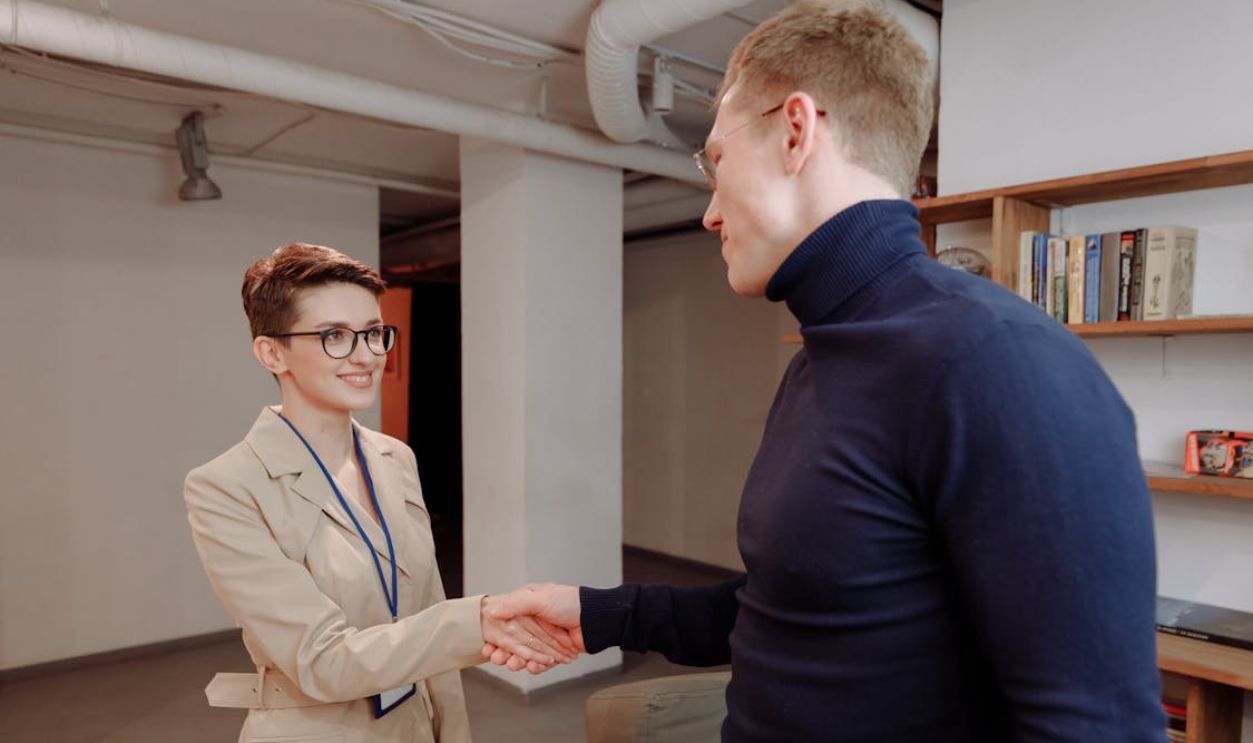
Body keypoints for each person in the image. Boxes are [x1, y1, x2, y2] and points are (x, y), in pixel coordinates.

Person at [483, 2, 1167, 740]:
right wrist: (599, 614)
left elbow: (1095, 727)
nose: (709, 213)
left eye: (716, 160)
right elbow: (801, 607)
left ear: (795, 130)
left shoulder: (994, 362)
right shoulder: (821, 356)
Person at [185, 243, 576, 743]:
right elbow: (320, 659)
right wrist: (475, 625)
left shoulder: (396, 459)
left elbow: (427, 609)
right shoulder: (226, 487)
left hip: (413, 726)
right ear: (271, 352)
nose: (367, 354)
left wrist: (452, 733)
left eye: (373, 333)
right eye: (335, 336)